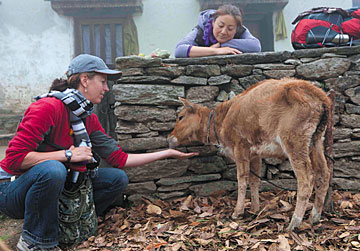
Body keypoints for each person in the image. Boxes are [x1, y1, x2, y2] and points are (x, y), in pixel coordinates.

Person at [0, 54, 198, 250]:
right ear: (84, 80)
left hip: (54, 186)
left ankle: (73, 223)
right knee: (53, 169)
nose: (106, 88)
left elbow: (119, 159)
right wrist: (68, 155)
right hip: (11, 189)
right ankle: (34, 241)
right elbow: (15, 160)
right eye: (102, 81)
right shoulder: (47, 108)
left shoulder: (87, 118)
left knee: (117, 178)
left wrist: (166, 154)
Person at [174, 4, 261, 58]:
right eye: (220, 26)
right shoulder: (201, 30)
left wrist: (221, 45)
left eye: (230, 29)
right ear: (213, 22)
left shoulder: (241, 31)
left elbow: (255, 46)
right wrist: (215, 51)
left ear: (236, 29)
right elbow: (179, 50)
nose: (223, 32)